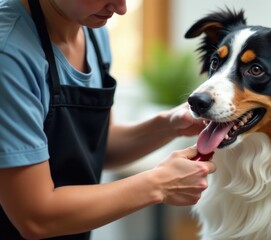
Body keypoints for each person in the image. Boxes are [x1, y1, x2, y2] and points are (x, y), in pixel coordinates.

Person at [0, 0, 216, 239]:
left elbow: (98, 146)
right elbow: (35, 217)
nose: (121, 8)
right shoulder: (8, 53)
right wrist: (158, 183)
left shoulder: (92, 30)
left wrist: (169, 124)